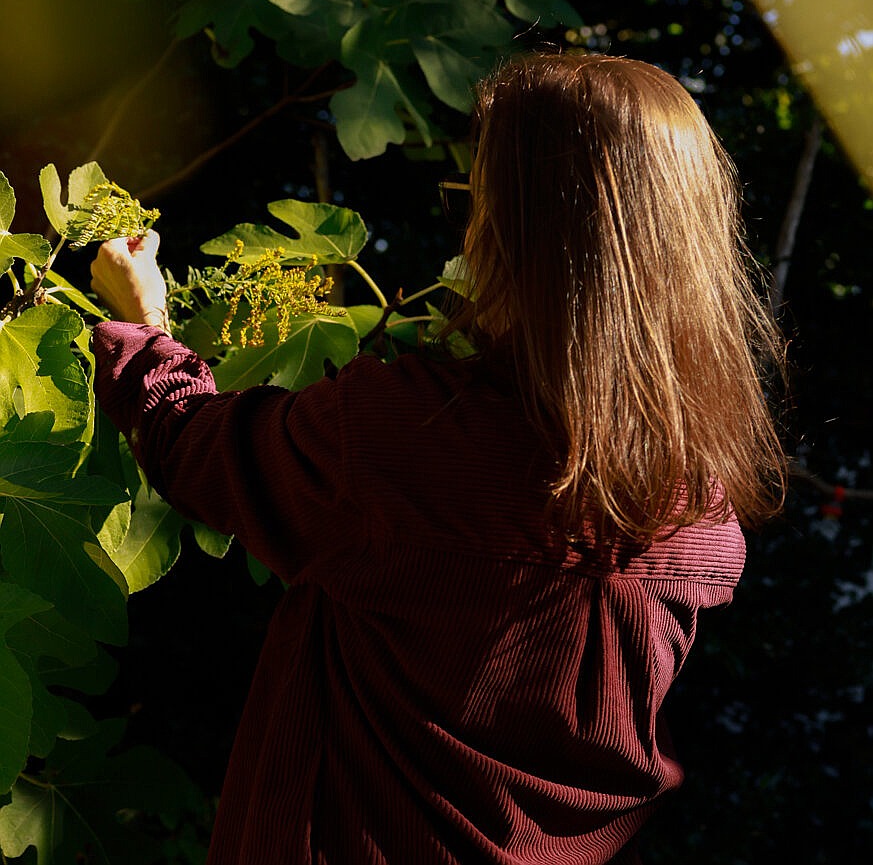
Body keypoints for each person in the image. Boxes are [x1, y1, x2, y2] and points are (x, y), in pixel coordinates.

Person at [90, 52, 786, 865]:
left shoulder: (402, 435)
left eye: (483, 194)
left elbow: (198, 446)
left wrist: (146, 322)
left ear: (518, 229)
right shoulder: (701, 516)